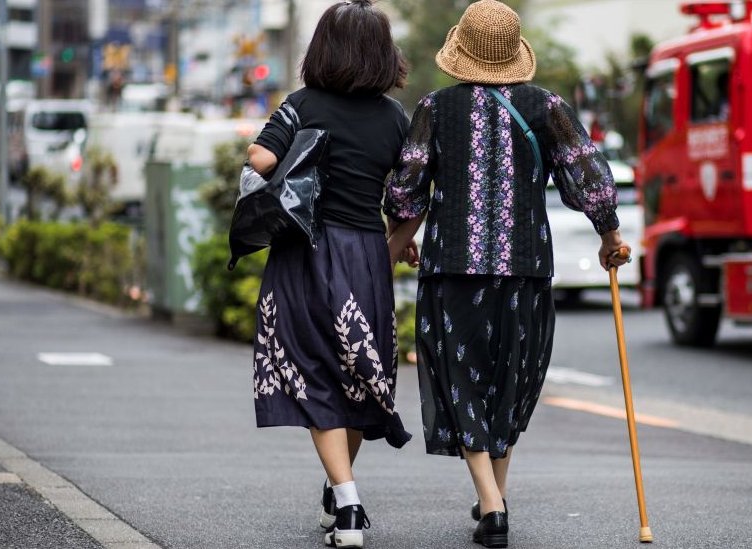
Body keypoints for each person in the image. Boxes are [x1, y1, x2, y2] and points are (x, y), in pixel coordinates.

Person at [383, 1, 629, 547]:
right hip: (526, 266)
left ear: (461, 52)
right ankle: (494, 492)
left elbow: (405, 188)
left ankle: (491, 505)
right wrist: (609, 233)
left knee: (463, 376)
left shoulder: (435, 107)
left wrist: (402, 238)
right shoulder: (546, 106)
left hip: (454, 268)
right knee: (510, 377)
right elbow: (587, 171)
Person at [246, 1, 412, 547]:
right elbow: (410, 201)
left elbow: (261, 160)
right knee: (359, 375)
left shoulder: (302, 104)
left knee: (313, 371)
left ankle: (348, 503)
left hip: (305, 255)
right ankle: (339, 486)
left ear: (324, 49)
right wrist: (398, 247)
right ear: (381, 54)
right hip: (366, 256)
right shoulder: (395, 118)